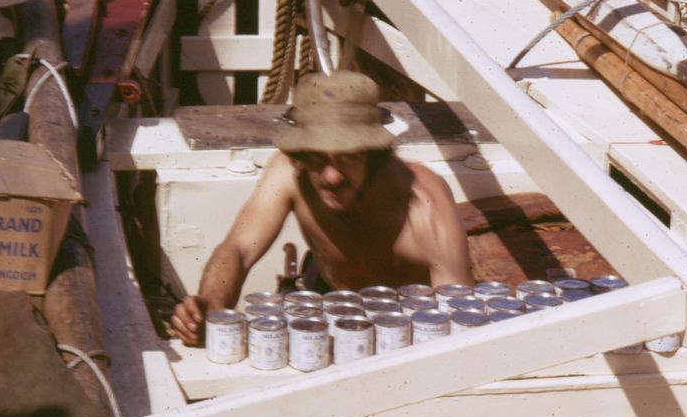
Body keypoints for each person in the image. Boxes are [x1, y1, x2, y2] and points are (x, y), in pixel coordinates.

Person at [168, 71, 474, 345]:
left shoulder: (425, 204)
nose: (331, 176)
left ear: (374, 155)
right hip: (327, 303)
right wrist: (212, 302)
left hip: (408, 327)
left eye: (348, 157)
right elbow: (238, 249)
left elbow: (458, 323)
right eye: (316, 158)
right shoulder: (288, 172)